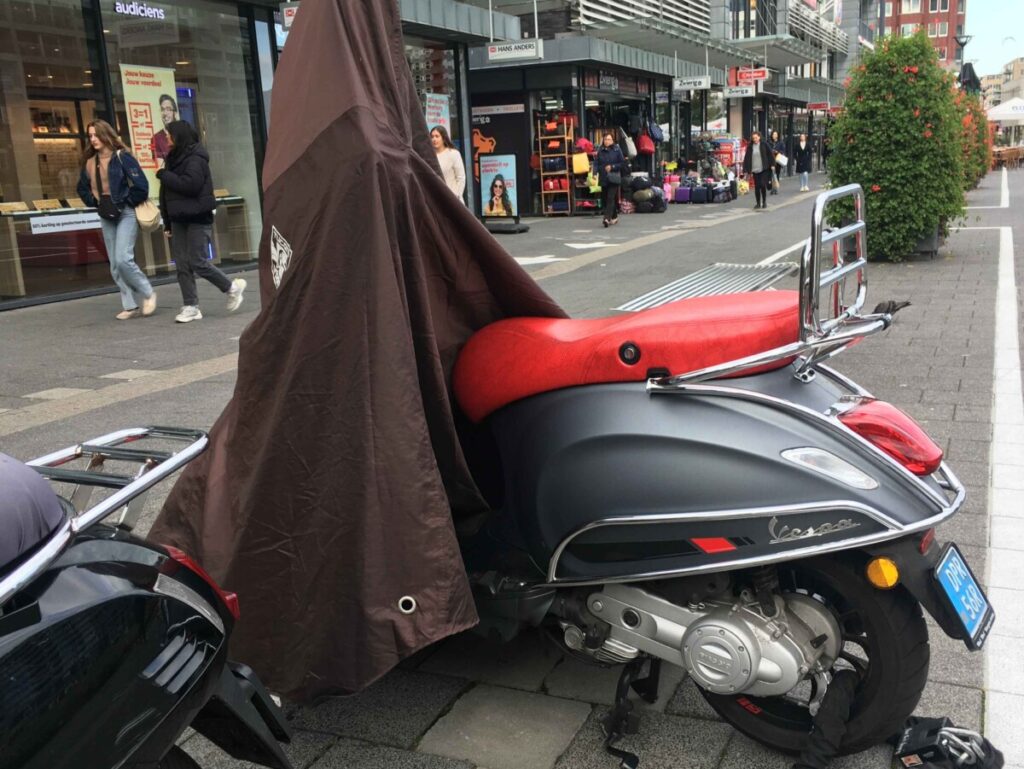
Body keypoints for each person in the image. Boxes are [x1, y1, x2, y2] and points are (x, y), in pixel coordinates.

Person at [157, 120, 245, 323]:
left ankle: (231, 288)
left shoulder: (196, 158)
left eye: (169, 134)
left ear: (178, 136)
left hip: (198, 217)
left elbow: (191, 185)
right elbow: (166, 194)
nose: (166, 138)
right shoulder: (172, 158)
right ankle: (191, 306)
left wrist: (164, 175)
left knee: (198, 261)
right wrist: (168, 222)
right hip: (179, 218)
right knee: (181, 264)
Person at [76, 119, 157, 320]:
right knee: (114, 263)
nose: (93, 139)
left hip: (126, 212)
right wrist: (94, 201)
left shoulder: (122, 157)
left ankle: (147, 292)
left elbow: (141, 186)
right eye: (90, 135)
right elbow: (82, 187)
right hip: (105, 213)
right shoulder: (89, 162)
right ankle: (130, 305)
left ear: (106, 134)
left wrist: (126, 201)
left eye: (96, 135)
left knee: (123, 258)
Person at [596, 131, 625, 227]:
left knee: (610, 198)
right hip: (603, 177)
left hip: (613, 178)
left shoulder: (617, 150)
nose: (607, 141)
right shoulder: (600, 150)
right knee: (605, 199)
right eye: (605, 139)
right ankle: (614, 216)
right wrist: (594, 172)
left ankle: (606, 219)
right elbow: (596, 163)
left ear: (612, 140)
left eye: (609, 139)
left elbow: (622, 163)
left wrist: (612, 166)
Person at [430, 125, 465, 200]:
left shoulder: (453, 154)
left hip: (453, 199)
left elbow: (461, 177)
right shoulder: (430, 156)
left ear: (443, 137)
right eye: (432, 137)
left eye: (437, 136)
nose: (434, 139)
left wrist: (457, 195)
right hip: (436, 200)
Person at [742, 130, 774, 211]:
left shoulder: (764, 144)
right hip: (754, 169)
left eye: (756, 138)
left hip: (763, 168)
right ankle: (758, 203)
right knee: (757, 187)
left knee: (763, 185)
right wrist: (746, 169)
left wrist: (772, 164)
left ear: (759, 137)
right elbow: (747, 158)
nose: (755, 139)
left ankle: (764, 201)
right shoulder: (750, 146)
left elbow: (770, 154)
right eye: (753, 138)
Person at [151, 94, 179, 163]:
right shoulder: (156, 139)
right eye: (162, 110)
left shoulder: (184, 134)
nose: (165, 113)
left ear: (174, 113)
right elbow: (161, 169)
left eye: (168, 109)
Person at [769, 129, 785, 195]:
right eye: (773, 134)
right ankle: (773, 188)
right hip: (771, 160)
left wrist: (777, 152)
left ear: (778, 135)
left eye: (776, 134)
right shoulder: (769, 142)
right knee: (772, 175)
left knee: (776, 174)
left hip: (778, 160)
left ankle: (775, 189)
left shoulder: (780, 142)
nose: (774, 136)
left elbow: (783, 151)